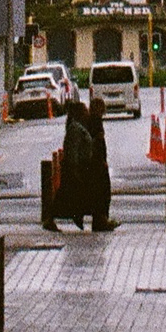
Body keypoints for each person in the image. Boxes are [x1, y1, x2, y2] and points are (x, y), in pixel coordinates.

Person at [56, 92, 114, 232]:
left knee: (80, 195)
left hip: (87, 164)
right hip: (88, 165)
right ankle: (99, 219)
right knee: (95, 193)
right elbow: (89, 145)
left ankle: (96, 219)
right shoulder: (81, 126)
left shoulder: (82, 125)